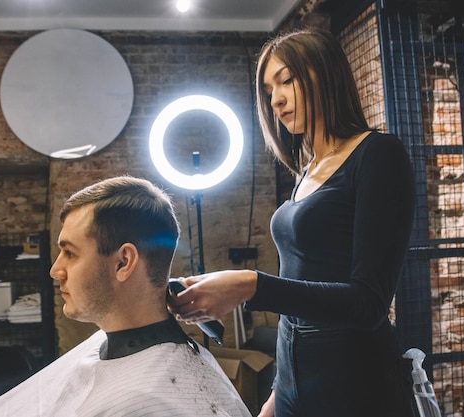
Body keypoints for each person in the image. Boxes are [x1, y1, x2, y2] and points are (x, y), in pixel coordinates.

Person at [168, 29, 416, 417]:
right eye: (268, 90)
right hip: (293, 383)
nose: (277, 99)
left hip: (355, 383)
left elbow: (368, 302)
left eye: (287, 80)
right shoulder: (305, 171)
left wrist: (250, 285)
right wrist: (278, 390)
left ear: (326, 75)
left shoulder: (379, 156)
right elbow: (299, 289)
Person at [0, 176, 251, 417]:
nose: (56, 270)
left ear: (123, 262)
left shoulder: (161, 399)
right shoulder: (106, 344)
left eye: (70, 253)